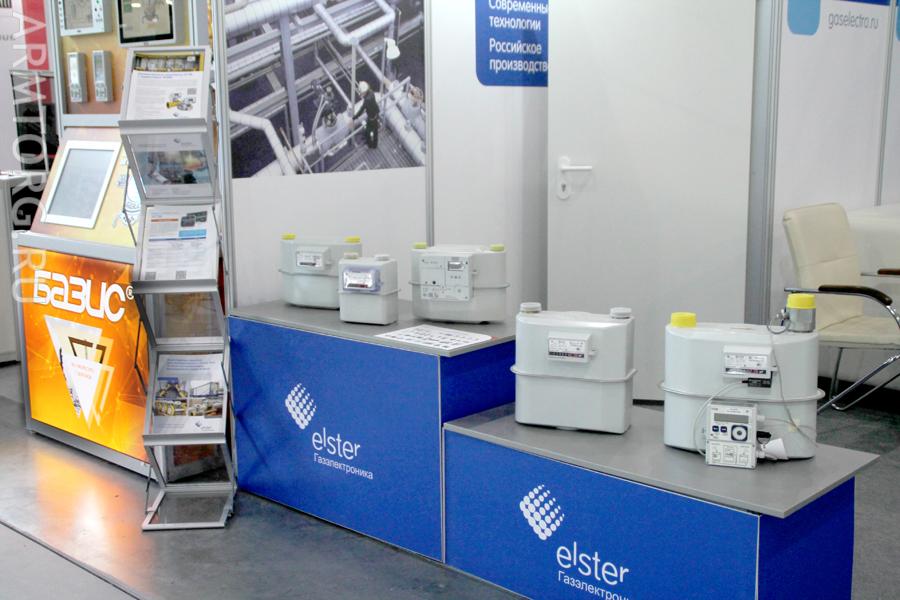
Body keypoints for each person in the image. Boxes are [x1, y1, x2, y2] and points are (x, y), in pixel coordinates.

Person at [353, 81, 380, 149]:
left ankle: (370, 145)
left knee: (368, 133)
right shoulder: (371, 92)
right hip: (376, 115)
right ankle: (375, 145)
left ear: (364, 91)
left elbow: (361, 110)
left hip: (371, 119)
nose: (361, 93)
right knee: (375, 131)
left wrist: (354, 118)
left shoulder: (367, 100)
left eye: (361, 92)